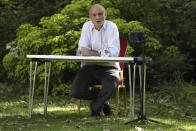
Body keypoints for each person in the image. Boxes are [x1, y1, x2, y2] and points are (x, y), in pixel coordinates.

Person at [70, 4, 120, 117]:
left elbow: (113, 53)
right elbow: (81, 52)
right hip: (89, 67)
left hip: (109, 67)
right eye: (94, 15)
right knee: (75, 92)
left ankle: (95, 107)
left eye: (100, 14)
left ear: (105, 15)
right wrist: (102, 52)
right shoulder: (86, 27)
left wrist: (90, 52)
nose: (97, 17)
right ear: (90, 17)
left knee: (112, 83)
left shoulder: (112, 27)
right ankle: (103, 100)